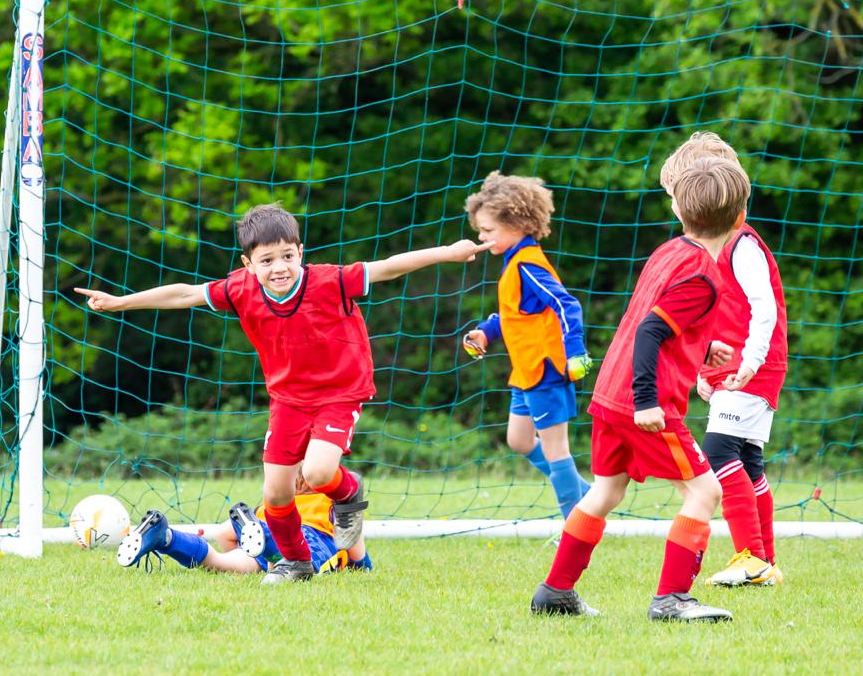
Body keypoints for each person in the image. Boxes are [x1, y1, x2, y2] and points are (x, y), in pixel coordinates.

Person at [76, 202, 491, 583]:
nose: (280, 267)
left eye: (288, 256)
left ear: (300, 251)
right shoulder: (240, 289)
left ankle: (349, 494)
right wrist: (120, 302)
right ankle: (295, 562)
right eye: (267, 260)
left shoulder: (330, 281)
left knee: (316, 473)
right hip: (288, 400)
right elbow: (184, 294)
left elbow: (388, 267)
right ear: (248, 263)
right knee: (275, 492)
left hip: (339, 393)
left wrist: (448, 252)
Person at [530, 157, 750, 622]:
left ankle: (555, 591)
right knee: (706, 491)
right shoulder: (705, 276)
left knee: (607, 491)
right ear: (740, 218)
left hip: (611, 393)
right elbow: (651, 331)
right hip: (641, 401)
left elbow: (659, 322)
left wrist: (701, 343)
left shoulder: (669, 252)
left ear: (677, 209)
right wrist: (648, 400)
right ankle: (672, 599)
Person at [661, 133, 787, 587]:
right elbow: (713, 314)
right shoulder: (714, 247)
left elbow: (763, 305)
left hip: (754, 367)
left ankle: (750, 557)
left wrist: (750, 361)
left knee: (717, 452)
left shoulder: (743, 245)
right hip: (732, 368)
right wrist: (701, 367)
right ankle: (765, 563)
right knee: (748, 461)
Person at [461, 171, 594, 518]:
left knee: (556, 449)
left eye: (488, 231)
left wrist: (575, 350)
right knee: (519, 440)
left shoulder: (528, 264)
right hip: (526, 372)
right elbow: (517, 314)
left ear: (517, 224)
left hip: (546, 369)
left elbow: (567, 305)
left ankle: (577, 525)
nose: (482, 237)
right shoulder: (513, 263)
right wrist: (487, 332)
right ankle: (589, 498)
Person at [116, 470, 372, 575]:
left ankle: (167, 537)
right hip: (310, 541)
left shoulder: (272, 504)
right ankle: (267, 545)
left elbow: (224, 534)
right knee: (301, 567)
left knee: (218, 562)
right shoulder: (336, 502)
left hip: (270, 525)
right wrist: (363, 566)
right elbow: (358, 556)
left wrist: (249, 548)